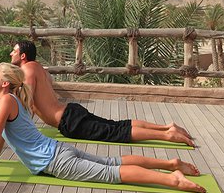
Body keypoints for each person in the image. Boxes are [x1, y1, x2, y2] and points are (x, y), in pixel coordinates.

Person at [0, 63, 205, 193]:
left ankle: (173, 179)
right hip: (59, 150)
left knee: (112, 173)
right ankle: (170, 164)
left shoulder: (6, 101)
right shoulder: (14, 100)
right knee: (112, 162)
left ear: (5, 83)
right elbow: (5, 137)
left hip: (56, 161)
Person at [10, 40, 195, 146]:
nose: (11, 54)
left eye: (14, 51)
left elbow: (28, 103)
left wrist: (22, 131)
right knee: (117, 125)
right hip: (71, 112)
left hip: (69, 122)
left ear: (23, 56)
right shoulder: (40, 68)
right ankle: (166, 127)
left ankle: (167, 135)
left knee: (115, 132)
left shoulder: (27, 72)